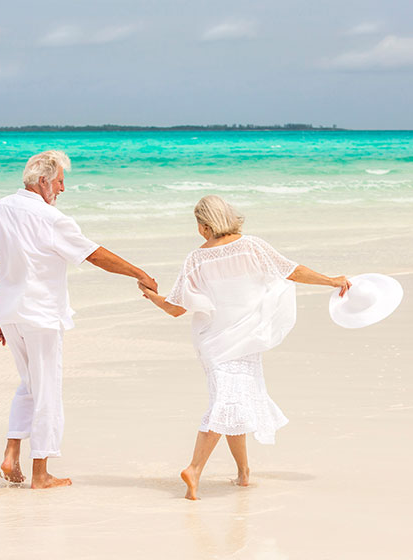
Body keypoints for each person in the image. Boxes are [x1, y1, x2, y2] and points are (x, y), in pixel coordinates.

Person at [138, 195, 350, 500]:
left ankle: (243, 473)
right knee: (227, 402)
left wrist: (150, 296)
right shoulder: (252, 246)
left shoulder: (196, 259)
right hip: (244, 339)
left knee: (235, 403)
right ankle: (194, 469)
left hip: (214, 342)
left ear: (206, 225)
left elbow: (175, 308)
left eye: (198, 224)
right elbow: (292, 271)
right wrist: (331, 281)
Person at [0, 150, 158, 489]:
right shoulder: (51, 219)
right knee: (47, 390)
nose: (62, 189)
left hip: (9, 311)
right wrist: (139, 272)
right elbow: (94, 254)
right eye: (60, 182)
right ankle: (41, 473)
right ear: (44, 182)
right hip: (41, 314)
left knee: (30, 383)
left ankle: (11, 452)